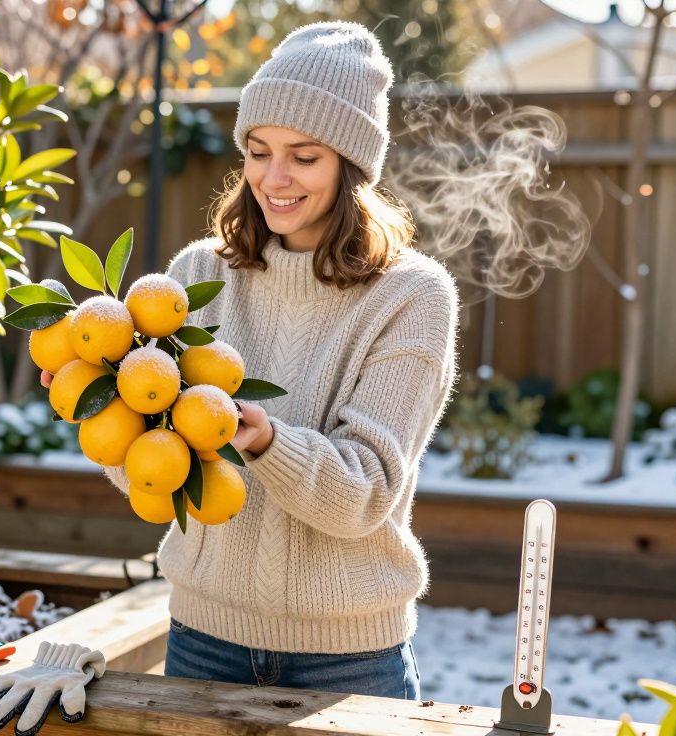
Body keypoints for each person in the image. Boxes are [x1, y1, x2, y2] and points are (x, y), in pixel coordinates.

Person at [42, 21, 458, 699]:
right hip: (204, 640)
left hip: (349, 659)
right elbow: (157, 477)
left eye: (304, 155)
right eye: (258, 151)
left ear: (352, 165)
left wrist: (265, 439)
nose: (274, 178)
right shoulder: (196, 276)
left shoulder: (411, 297)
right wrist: (103, 398)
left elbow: (366, 495)